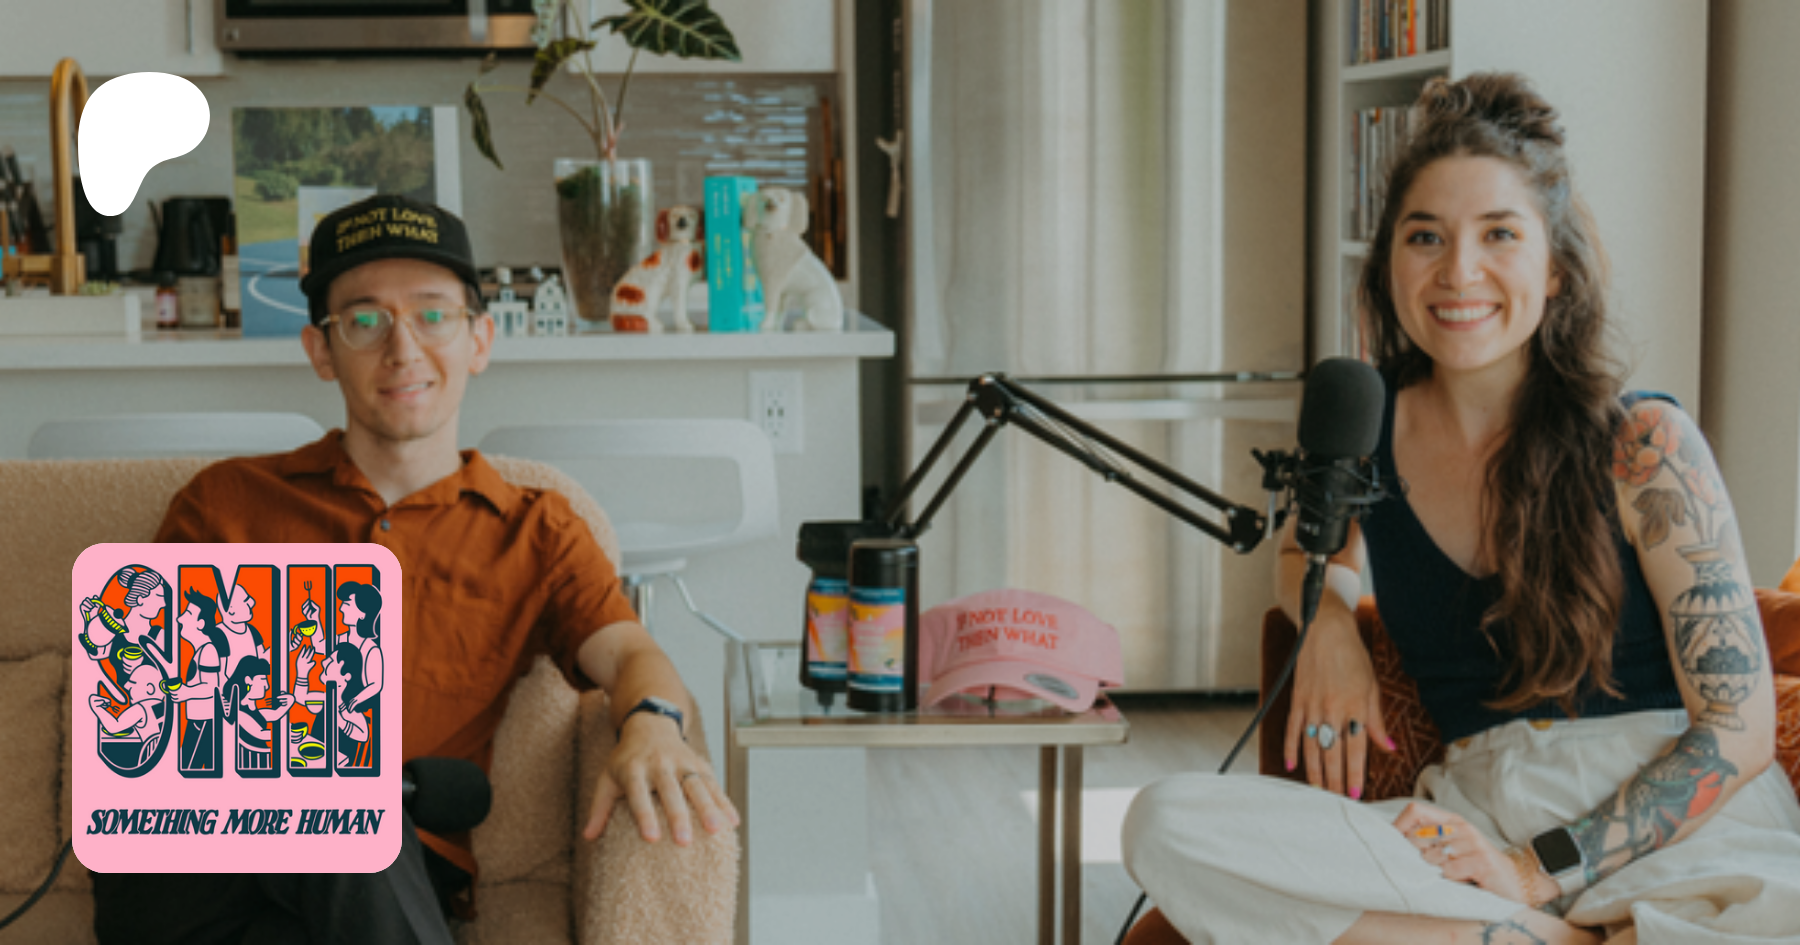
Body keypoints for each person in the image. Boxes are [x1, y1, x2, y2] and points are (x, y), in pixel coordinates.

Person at [1121, 73, 1800, 945]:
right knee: (1166, 822)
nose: (1458, 271)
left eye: (1499, 234)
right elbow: (1308, 552)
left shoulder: (1646, 444)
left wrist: (1539, 869)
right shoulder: (1365, 434)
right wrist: (1328, 621)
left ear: (1555, 269)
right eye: (1425, 236)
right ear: (1390, 264)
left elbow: (1738, 732)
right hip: (1469, 824)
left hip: (1675, 826)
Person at [91, 194, 737, 945]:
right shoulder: (226, 503)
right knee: (329, 785)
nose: (402, 348)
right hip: (193, 865)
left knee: (352, 811)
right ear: (321, 351)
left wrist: (654, 723)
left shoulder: (537, 530)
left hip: (384, 877)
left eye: (433, 315)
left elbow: (628, 653)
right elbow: (137, 699)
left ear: (479, 340)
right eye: (365, 320)